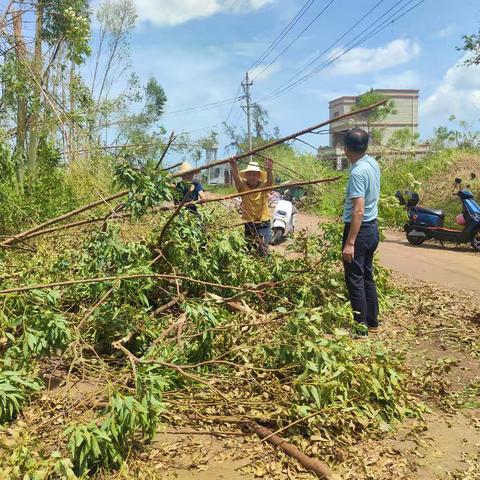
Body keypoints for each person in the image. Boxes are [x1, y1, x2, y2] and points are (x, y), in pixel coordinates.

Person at [342, 128, 381, 337]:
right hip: (372, 228)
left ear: (346, 148)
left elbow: (358, 208)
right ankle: (372, 322)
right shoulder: (372, 163)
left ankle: (360, 330)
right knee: (367, 276)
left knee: (354, 279)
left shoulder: (357, 172)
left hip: (359, 229)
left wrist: (350, 242)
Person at [230, 158, 273, 255]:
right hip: (249, 223)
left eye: (254, 174)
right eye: (249, 174)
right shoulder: (242, 187)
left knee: (263, 247)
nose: (252, 177)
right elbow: (236, 178)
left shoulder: (263, 187)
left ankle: (266, 265)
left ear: (259, 176)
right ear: (246, 176)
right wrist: (234, 165)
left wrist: (269, 170)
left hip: (264, 222)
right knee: (250, 249)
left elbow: (270, 182)